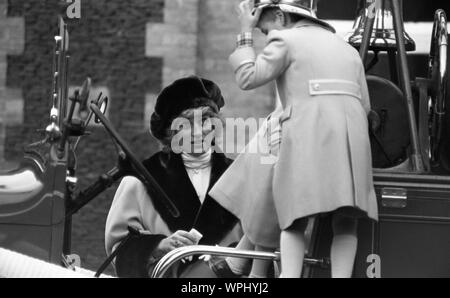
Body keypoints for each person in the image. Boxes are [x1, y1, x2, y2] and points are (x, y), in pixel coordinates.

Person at [209, 0, 378, 278]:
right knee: (346, 222)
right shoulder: (347, 49)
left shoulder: (285, 40)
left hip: (307, 135)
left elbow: (247, 78)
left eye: (264, 29)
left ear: (279, 15)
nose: (265, 35)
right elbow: (366, 107)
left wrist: (244, 31)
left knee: (293, 220)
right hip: (353, 140)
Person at [105, 76, 243, 278]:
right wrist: (158, 245)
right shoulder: (138, 181)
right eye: (185, 124)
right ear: (170, 132)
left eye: (205, 119)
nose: (198, 131)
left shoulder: (241, 177)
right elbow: (119, 247)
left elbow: (260, 240)